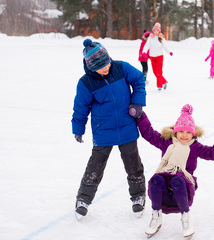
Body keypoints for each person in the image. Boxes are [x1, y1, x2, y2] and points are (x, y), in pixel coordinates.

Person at [129, 104, 214, 238]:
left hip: (184, 185)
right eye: (181, 131)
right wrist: (141, 116)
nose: (184, 135)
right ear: (175, 131)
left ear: (193, 134)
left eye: (189, 132)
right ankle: (156, 216)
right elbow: (148, 132)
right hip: (165, 182)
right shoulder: (166, 142)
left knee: (178, 180)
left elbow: (213, 153)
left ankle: (186, 217)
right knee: (156, 179)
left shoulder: (195, 147)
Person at [72, 39, 147, 220]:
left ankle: (138, 196)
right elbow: (80, 107)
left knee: (133, 163)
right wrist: (78, 128)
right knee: (95, 167)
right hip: (102, 130)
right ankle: (83, 199)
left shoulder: (121, 67)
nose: (106, 68)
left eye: (107, 63)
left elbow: (138, 80)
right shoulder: (85, 83)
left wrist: (137, 103)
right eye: (101, 67)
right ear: (91, 67)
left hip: (127, 126)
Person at [142, 22, 173, 91]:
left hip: (159, 56)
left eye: (157, 31)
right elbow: (147, 45)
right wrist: (144, 52)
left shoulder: (161, 38)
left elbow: (165, 46)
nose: (156, 32)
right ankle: (164, 81)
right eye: (154, 30)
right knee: (154, 72)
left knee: (159, 72)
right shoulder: (150, 38)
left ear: (159, 31)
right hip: (152, 56)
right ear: (153, 31)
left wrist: (169, 52)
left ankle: (159, 86)